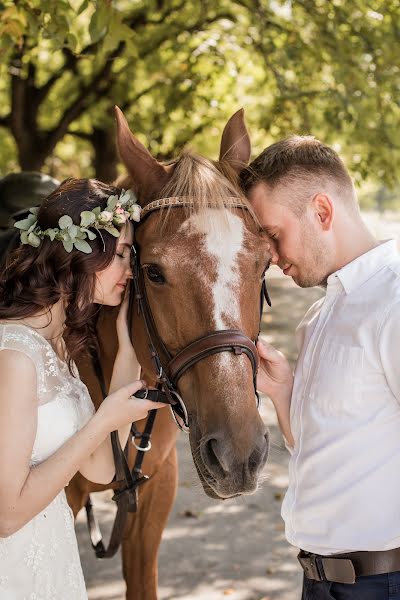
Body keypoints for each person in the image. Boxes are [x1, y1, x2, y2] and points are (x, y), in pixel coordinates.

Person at [240, 137, 400, 600]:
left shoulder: (392, 301)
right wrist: (283, 392)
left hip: (383, 584)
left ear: (322, 212)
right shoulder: (319, 316)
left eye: (272, 232)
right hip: (319, 581)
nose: (270, 254)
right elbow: (319, 445)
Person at [0, 178, 166, 598]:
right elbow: (6, 514)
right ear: (85, 254)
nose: (131, 271)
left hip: (51, 563)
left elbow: (102, 469)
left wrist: (127, 345)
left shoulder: (59, 350)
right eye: (124, 255)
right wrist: (102, 420)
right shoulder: (16, 356)